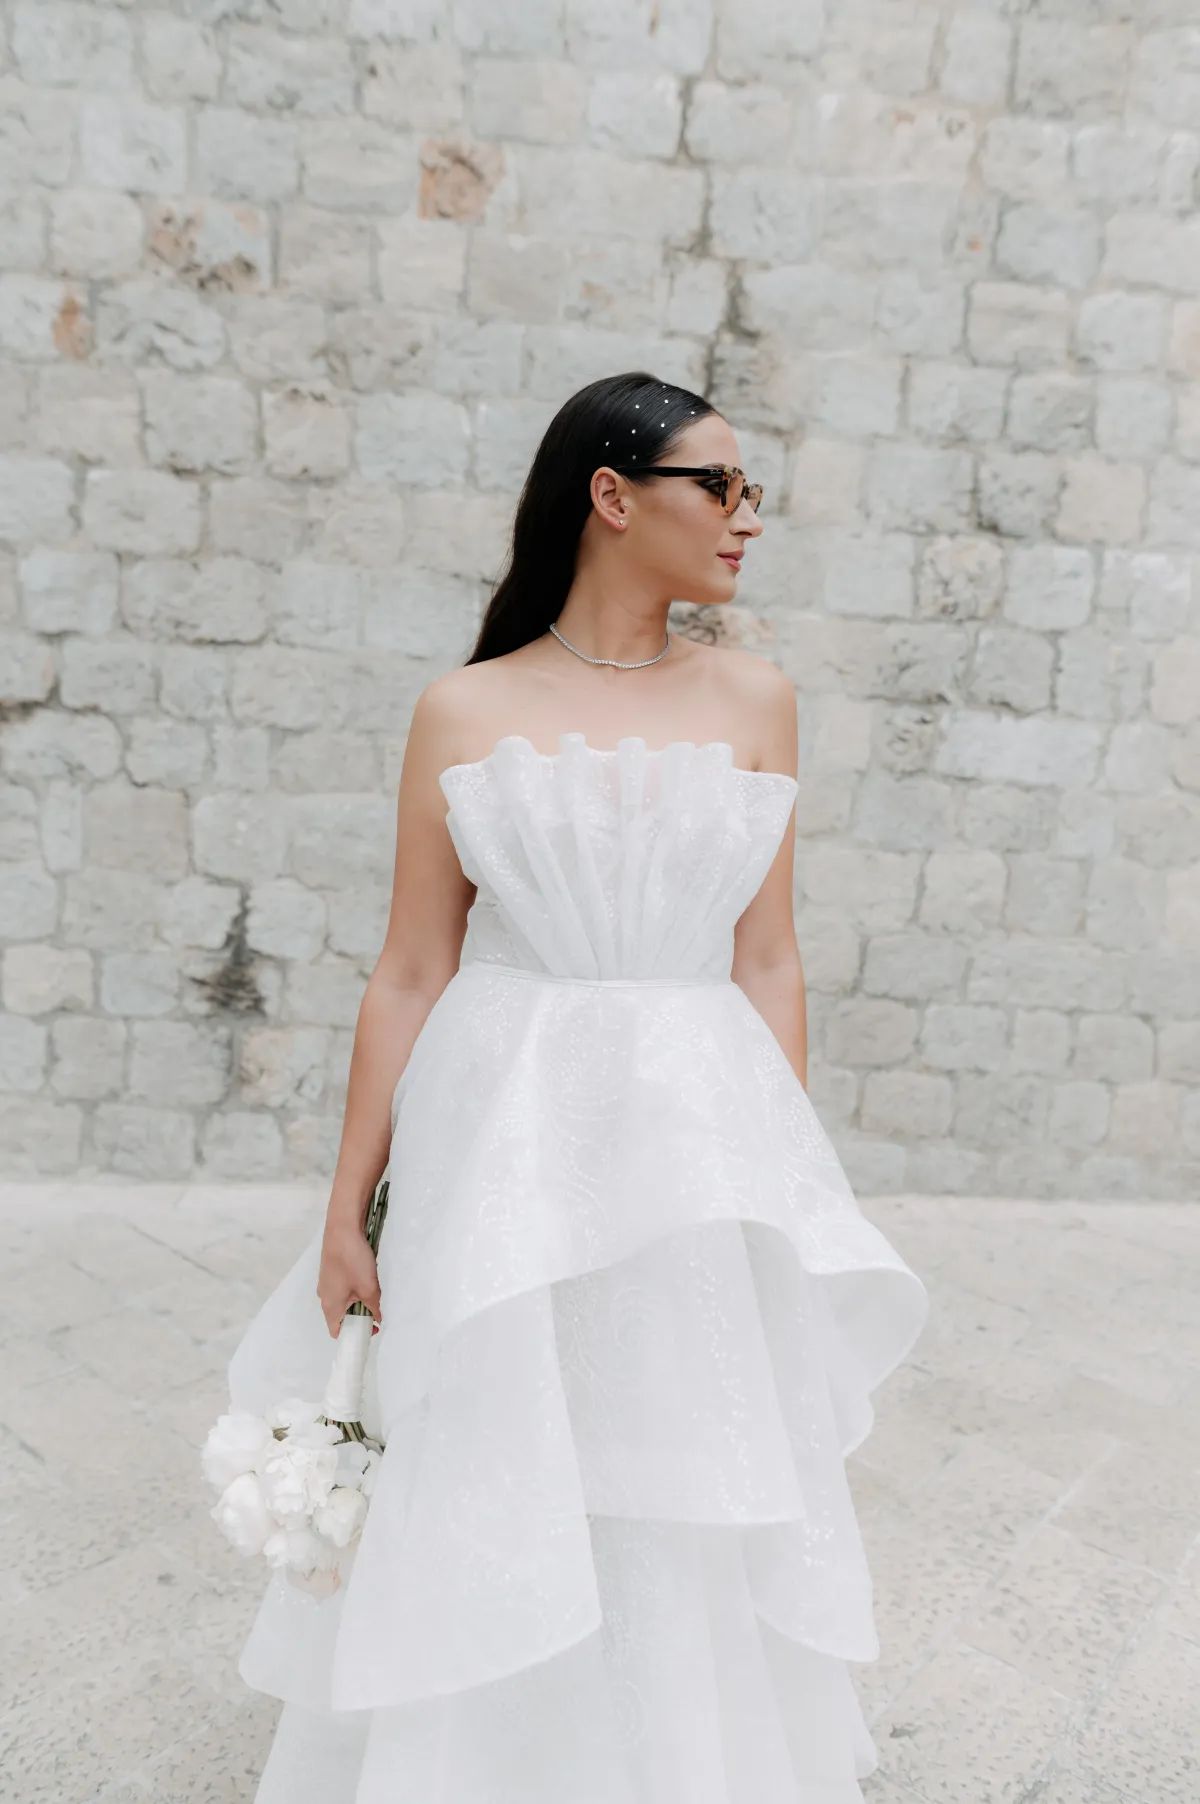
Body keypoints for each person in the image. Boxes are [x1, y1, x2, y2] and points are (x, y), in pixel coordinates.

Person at [227, 371, 930, 1802]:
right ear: (612, 496)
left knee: (680, 1445)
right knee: (499, 1431)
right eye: (718, 485)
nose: (746, 517)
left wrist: (782, 1180)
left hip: (694, 1132)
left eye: (749, 490)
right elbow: (411, 968)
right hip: (504, 1132)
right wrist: (349, 1207)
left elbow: (769, 956)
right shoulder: (464, 709)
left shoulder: (756, 698)